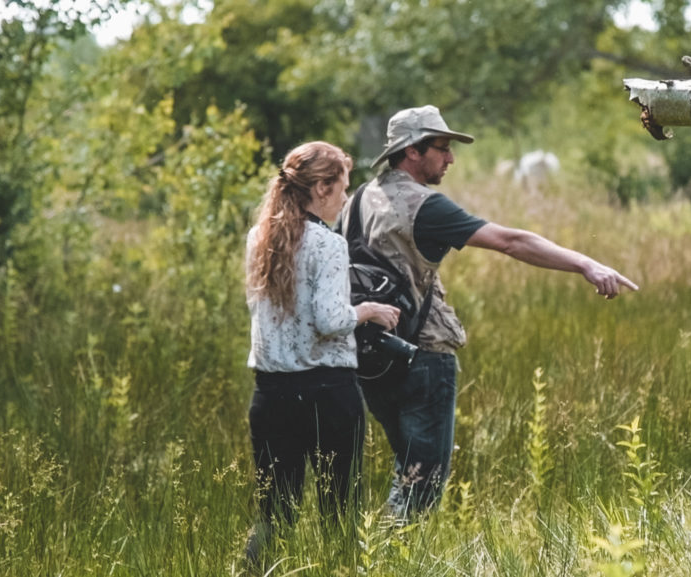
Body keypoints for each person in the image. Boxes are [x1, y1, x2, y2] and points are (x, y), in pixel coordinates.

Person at [339, 105, 640, 521]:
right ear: (412, 151)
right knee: (420, 488)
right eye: (442, 148)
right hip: (424, 356)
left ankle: (376, 556)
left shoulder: (355, 202)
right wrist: (586, 264)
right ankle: (389, 559)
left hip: (370, 357)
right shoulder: (426, 205)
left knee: (406, 475)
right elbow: (510, 241)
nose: (450, 159)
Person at [243, 141, 400, 564]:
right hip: (326, 395)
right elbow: (330, 320)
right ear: (320, 188)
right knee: (341, 514)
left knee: (275, 514)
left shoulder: (259, 238)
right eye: (343, 187)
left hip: (270, 395)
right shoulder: (327, 244)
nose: (346, 197)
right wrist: (367, 310)